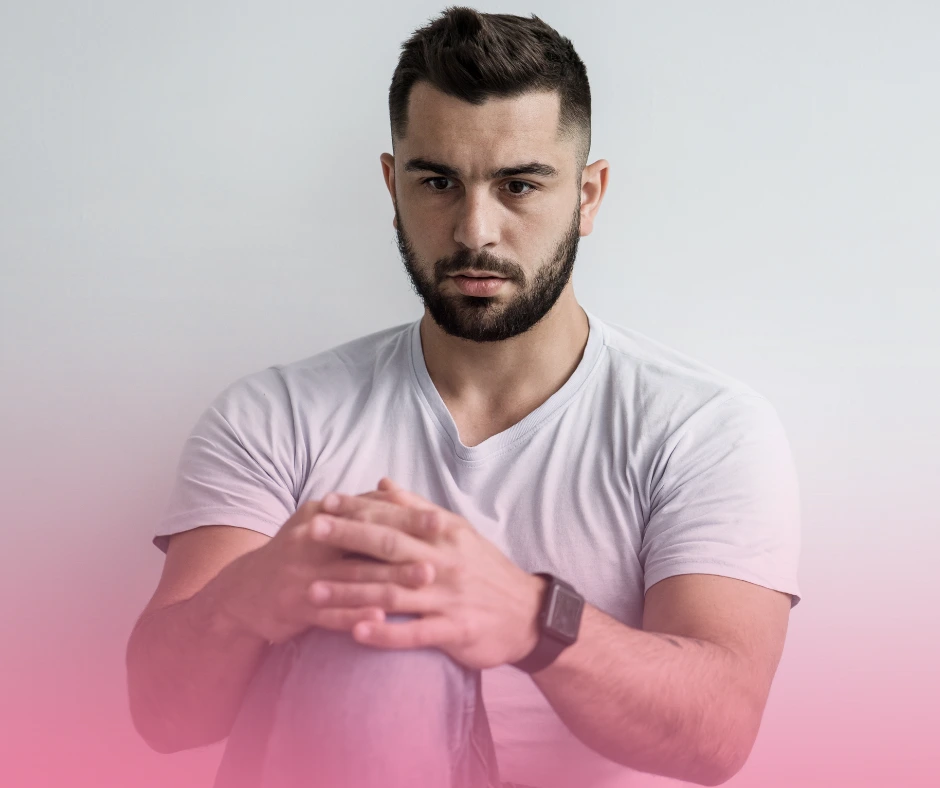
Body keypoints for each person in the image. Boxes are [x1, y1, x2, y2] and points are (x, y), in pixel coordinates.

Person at [125, 7, 801, 788]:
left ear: (589, 194)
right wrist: (257, 594)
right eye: (438, 181)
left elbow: (717, 734)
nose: (475, 230)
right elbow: (162, 717)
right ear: (392, 184)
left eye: (519, 185)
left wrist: (528, 619)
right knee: (377, 646)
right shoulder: (275, 417)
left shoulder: (703, 428)